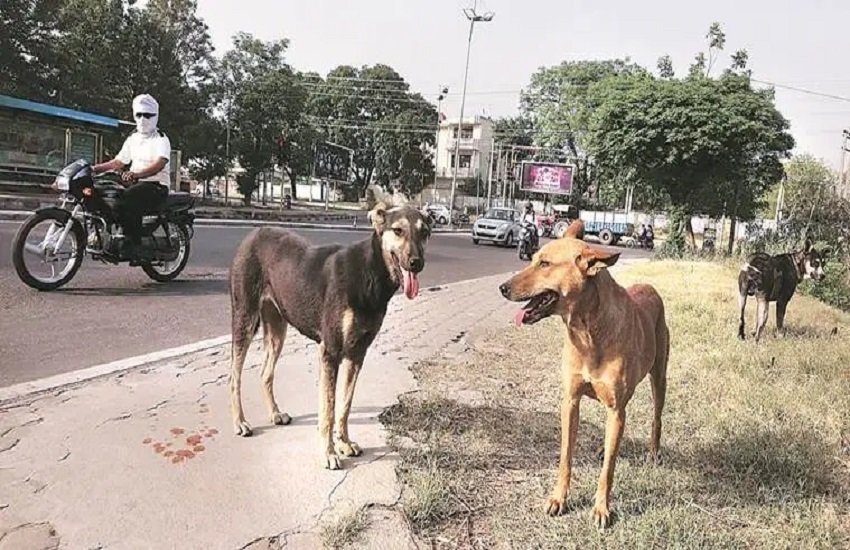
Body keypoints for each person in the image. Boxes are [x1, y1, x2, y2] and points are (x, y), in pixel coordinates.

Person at [93, 94, 171, 260]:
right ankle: (107, 236)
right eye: (139, 115)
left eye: (148, 115)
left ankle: (133, 244)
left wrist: (137, 174)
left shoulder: (161, 139)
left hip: (155, 185)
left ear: (155, 116)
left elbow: (160, 163)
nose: (143, 119)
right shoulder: (133, 138)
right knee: (105, 193)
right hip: (134, 182)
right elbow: (119, 161)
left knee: (127, 198)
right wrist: (94, 168)